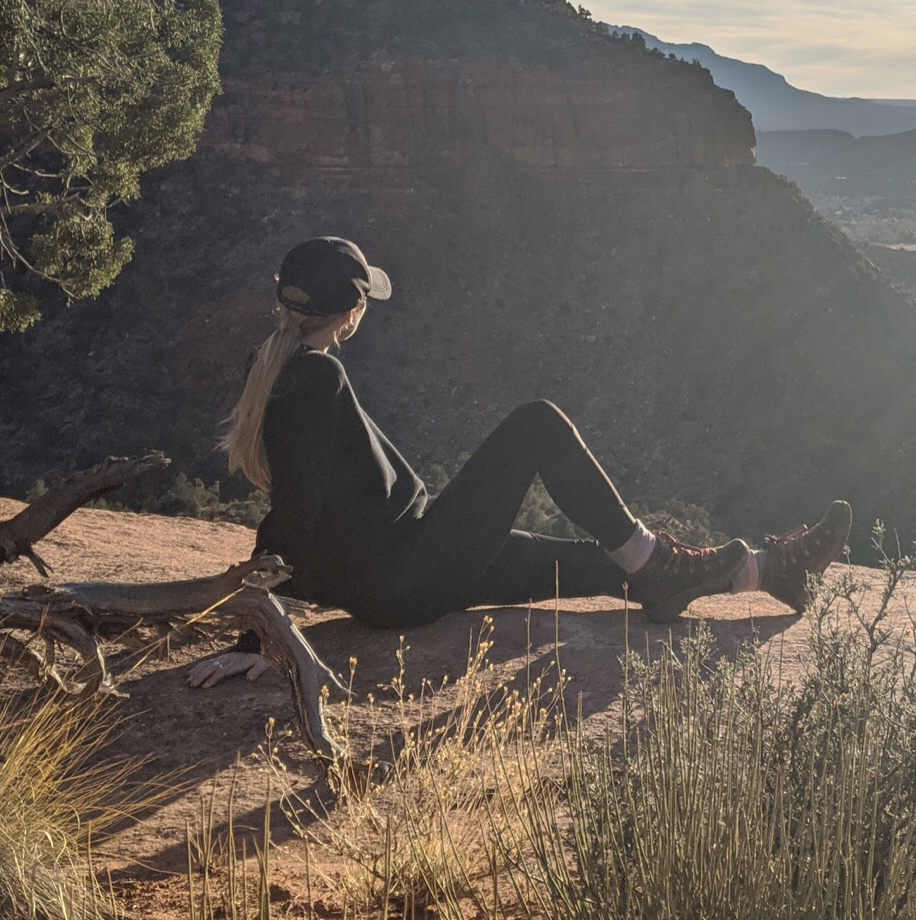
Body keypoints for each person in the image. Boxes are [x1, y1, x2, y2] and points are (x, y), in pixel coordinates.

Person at [188, 236, 853, 688]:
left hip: (414, 563)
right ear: (354, 306)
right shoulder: (315, 381)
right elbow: (294, 513)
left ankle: (771, 574)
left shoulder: (276, 367)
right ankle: (652, 560)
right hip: (410, 569)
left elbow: (302, 510)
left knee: (590, 566)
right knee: (536, 424)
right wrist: (260, 637)